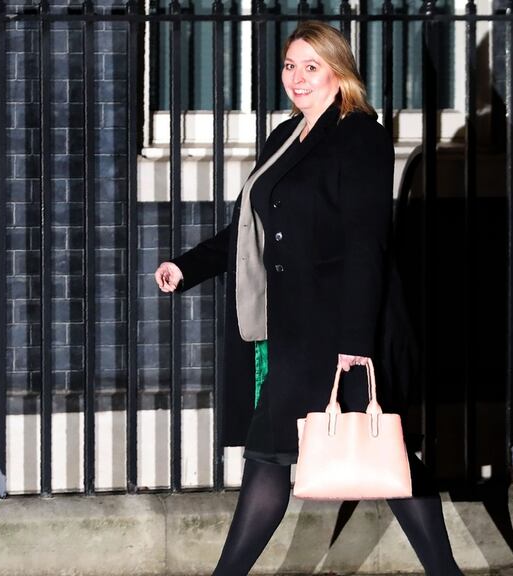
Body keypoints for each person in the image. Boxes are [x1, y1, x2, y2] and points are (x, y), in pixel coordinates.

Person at [153, 21, 463, 576]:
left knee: (377, 453)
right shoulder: (283, 136)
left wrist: (354, 343)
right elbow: (250, 229)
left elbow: (367, 243)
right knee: (272, 456)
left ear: (338, 72)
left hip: (337, 327)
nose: (296, 78)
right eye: (289, 66)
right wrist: (189, 265)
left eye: (310, 66)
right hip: (292, 330)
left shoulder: (360, 134)